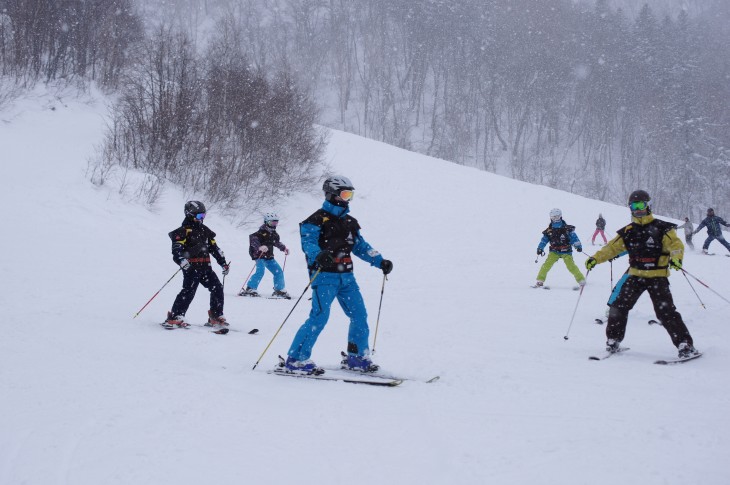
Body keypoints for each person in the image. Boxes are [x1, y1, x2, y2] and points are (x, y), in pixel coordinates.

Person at [284, 175, 393, 375]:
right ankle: (296, 359)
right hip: (325, 276)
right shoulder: (315, 220)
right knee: (319, 318)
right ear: (332, 194)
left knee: (359, 315)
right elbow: (308, 244)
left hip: (347, 278)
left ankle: (357, 357)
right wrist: (319, 255)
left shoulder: (350, 222)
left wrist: (380, 260)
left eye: (350, 194)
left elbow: (361, 246)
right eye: (344, 194)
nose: (348, 199)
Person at [585, 190, 699, 359]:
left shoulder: (662, 227)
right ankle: (613, 340)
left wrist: (676, 259)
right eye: (634, 206)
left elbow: (676, 245)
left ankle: (685, 344)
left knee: (665, 312)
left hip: (657, 276)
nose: (638, 209)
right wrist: (595, 258)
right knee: (618, 306)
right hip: (636, 276)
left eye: (641, 205)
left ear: (648, 206)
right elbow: (611, 248)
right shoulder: (628, 231)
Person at [164, 201, 231, 329]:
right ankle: (176, 316)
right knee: (189, 291)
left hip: (206, 267)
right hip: (191, 268)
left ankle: (215, 316)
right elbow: (176, 251)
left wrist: (223, 263)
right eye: (199, 216)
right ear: (190, 215)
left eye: (203, 216)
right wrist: (182, 262)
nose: (201, 219)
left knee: (217, 287)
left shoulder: (205, 231)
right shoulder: (183, 231)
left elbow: (214, 248)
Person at [239, 212, 291, 299]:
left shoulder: (274, 234)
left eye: (275, 222)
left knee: (278, 271)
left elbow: (276, 243)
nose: (274, 225)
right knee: (260, 271)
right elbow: (254, 243)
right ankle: (250, 289)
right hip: (259, 255)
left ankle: (279, 290)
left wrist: (284, 248)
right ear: (266, 222)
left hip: (269, 256)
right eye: (272, 222)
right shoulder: (258, 233)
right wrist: (259, 248)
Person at [534, 208, 585, 288]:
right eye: (553, 217)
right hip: (554, 251)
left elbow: (574, 238)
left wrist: (578, 246)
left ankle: (581, 280)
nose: (555, 219)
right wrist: (540, 248)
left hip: (566, 251)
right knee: (546, 265)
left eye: (557, 217)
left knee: (571, 266)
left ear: (560, 217)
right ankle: (540, 281)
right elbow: (544, 240)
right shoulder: (549, 230)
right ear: (550, 218)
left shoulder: (567, 229)